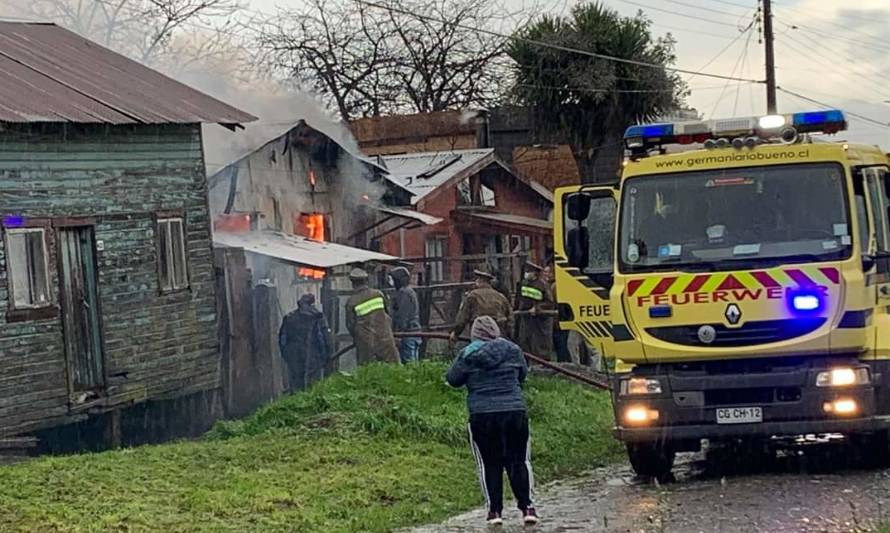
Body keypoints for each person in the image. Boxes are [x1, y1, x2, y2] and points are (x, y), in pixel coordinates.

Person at [446, 316, 539, 526]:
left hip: (482, 415)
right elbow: (522, 375)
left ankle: (495, 512)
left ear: (475, 335)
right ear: (496, 332)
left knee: (489, 464)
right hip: (514, 412)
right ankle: (528, 508)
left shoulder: (467, 355)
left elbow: (453, 380)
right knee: (519, 461)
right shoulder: (513, 350)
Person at [278, 293, 333, 392]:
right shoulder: (318, 317)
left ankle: (297, 403)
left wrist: (287, 355)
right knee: (313, 386)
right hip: (314, 357)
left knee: (296, 385)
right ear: (312, 304)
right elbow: (325, 338)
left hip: (294, 357)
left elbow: (282, 340)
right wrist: (327, 355)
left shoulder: (289, 318)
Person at [345, 267, 399, 365]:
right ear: (366, 280)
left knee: (368, 373)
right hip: (385, 339)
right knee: (393, 369)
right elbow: (387, 315)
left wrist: (358, 338)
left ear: (352, 283)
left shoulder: (351, 302)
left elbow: (350, 326)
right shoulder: (378, 294)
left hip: (366, 344)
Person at [450, 269, 513, 343]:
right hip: (499, 335)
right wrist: (508, 335)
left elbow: (463, 317)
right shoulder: (500, 296)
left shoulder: (473, 296)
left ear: (480, 281)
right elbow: (510, 317)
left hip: (480, 334)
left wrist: (455, 333)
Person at [514, 262, 555, 358]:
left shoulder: (542, 285)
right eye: (526, 271)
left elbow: (550, 302)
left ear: (535, 273)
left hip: (540, 319)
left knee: (540, 343)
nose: (527, 273)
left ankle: (543, 364)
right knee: (524, 341)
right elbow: (520, 299)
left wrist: (537, 307)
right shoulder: (524, 284)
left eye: (529, 271)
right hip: (526, 318)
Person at [389, 266, 422, 363]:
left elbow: (402, 316)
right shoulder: (408, 291)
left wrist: (398, 334)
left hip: (408, 333)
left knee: (409, 364)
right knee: (412, 363)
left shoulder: (404, 293)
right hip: (413, 332)